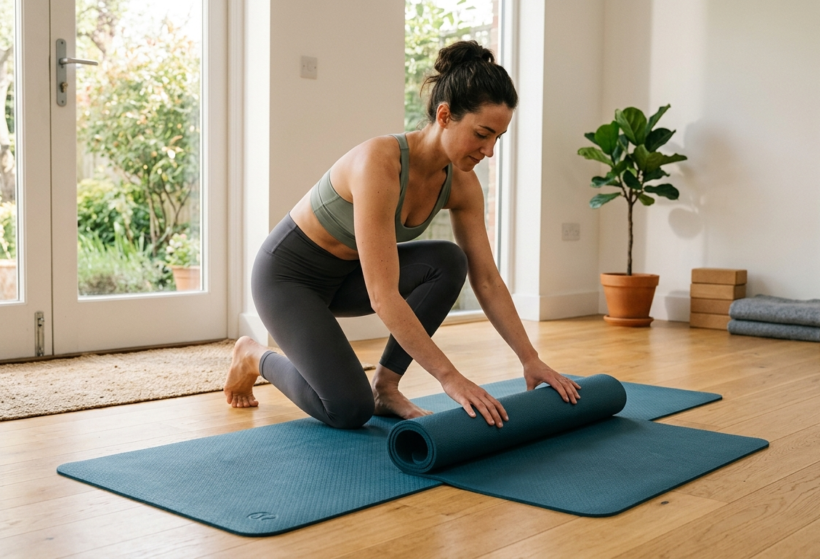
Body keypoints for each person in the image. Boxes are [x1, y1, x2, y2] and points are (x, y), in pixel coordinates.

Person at [224, 40, 581, 429]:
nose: (489, 150)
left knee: (449, 261)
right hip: (289, 279)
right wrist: (450, 378)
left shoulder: (462, 185)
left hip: (348, 277)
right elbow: (383, 295)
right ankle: (253, 355)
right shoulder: (379, 163)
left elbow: (488, 280)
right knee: (347, 410)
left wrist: (530, 359)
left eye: (498, 137)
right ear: (445, 115)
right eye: (482, 134)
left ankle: (386, 386)